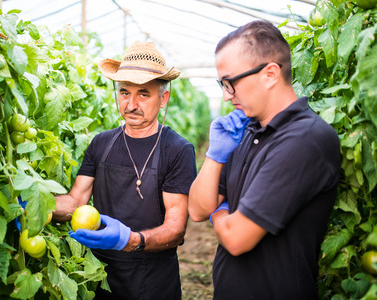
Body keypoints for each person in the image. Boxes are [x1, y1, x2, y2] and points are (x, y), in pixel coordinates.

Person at [188, 20, 341, 299]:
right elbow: (197, 210)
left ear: (270, 73)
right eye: (222, 84)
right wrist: (214, 154)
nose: (226, 95)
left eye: (230, 82)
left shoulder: (305, 139)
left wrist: (220, 211)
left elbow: (236, 238)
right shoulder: (247, 131)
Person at [54, 41, 197, 299]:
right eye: (124, 92)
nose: (131, 104)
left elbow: (176, 228)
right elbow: (76, 201)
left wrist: (131, 240)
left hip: (153, 279)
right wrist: (38, 206)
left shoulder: (177, 150)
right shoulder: (101, 143)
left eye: (143, 94)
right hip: (101, 274)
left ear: (163, 98)